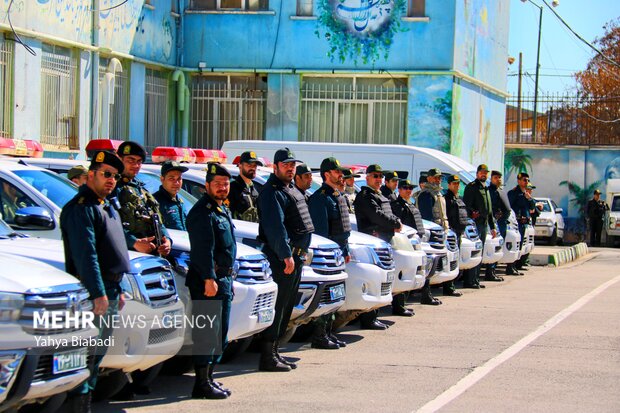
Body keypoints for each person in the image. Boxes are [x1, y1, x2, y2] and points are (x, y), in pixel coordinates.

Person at [60, 151, 129, 412]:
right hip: (94, 293)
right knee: (87, 356)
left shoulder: (104, 204)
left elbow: (111, 249)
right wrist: (98, 293)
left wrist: (118, 289)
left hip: (111, 287)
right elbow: (86, 256)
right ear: (91, 175)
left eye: (115, 176)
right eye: (106, 174)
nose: (112, 180)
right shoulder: (81, 209)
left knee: (96, 355)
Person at [256, 148, 314, 371]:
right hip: (283, 259)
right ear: (275, 166)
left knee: (286, 307)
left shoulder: (289, 189)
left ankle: (275, 353)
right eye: (286, 165)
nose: (290, 168)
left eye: (292, 165)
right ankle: (267, 357)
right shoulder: (272, 192)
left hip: (296, 257)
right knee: (279, 307)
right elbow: (275, 228)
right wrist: (285, 255)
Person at [186, 163, 236, 400]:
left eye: (225, 184)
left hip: (223, 279)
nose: (222, 188)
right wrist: (208, 278)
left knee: (219, 333)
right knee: (207, 331)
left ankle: (210, 378)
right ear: (206, 186)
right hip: (208, 280)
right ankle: (201, 383)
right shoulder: (201, 212)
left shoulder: (221, 209)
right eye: (217, 184)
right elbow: (202, 251)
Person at [307, 157, 351, 349]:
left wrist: (346, 250)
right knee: (326, 295)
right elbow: (321, 234)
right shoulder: (320, 198)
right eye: (336, 172)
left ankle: (328, 332)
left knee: (336, 295)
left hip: (339, 253)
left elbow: (343, 228)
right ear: (327, 174)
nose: (340, 175)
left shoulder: (338, 196)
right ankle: (319, 336)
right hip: (327, 256)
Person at [354, 164, 402, 329]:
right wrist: (395, 223)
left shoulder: (379, 194)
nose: (378, 179)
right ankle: (368, 319)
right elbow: (376, 216)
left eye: (380, 176)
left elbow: (388, 213)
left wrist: (396, 221)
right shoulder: (366, 196)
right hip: (372, 240)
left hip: (383, 241)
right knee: (375, 280)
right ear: (367, 177)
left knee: (383, 279)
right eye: (375, 175)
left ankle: (374, 316)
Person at [111, 141, 172, 257]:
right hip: (128, 254)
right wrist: (133, 242)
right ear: (119, 159)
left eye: (139, 162)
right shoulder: (113, 188)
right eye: (131, 161)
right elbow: (109, 225)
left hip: (151, 254)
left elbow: (157, 220)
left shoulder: (140, 189)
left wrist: (167, 240)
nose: (136, 165)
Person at [391, 179, 428, 312]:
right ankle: (398, 306)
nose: (409, 190)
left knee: (411, 273)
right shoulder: (397, 205)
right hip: (404, 243)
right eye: (405, 188)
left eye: (410, 188)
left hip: (414, 242)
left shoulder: (410, 203)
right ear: (399, 190)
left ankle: (402, 305)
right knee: (404, 273)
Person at [416, 168, 450, 303]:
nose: (438, 180)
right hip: (431, 234)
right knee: (429, 264)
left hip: (439, 232)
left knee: (435, 265)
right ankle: (425, 294)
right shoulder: (426, 195)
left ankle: (427, 292)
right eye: (435, 178)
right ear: (429, 178)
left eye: (439, 178)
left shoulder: (437, 194)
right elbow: (426, 218)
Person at [463, 164, 499, 287]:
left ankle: (476, 279)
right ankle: (469, 280)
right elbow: (466, 205)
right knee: (475, 251)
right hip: (475, 224)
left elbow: (489, 210)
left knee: (480, 252)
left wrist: (492, 226)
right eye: (482, 172)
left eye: (485, 172)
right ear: (477, 173)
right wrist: (472, 213)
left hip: (483, 224)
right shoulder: (472, 187)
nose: (484, 174)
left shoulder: (486, 188)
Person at [442, 175, 469, 296]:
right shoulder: (447, 198)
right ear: (449, 185)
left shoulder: (458, 198)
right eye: (454, 184)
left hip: (458, 232)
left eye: (458, 184)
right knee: (451, 260)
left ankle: (451, 285)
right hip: (451, 234)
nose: (456, 186)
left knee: (455, 259)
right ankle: (449, 286)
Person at [152, 161, 189, 231]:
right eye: (172, 179)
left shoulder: (179, 200)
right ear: (162, 179)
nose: (176, 183)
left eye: (179, 179)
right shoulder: (155, 202)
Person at [227, 151, 262, 222]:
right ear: (240, 166)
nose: (253, 168)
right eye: (249, 165)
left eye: (255, 166)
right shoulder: (232, 188)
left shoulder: (253, 189)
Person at [488, 171, 511, 278]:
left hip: (503, 222)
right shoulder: (490, 191)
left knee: (499, 247)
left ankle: (493, 270)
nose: (498, 179)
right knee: (494, 247)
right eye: (496, 177)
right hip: (495, 223)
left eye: (499, 177)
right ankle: (490, 271)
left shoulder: (500, 190)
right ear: (491, 178)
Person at [508, 172, 532, 272]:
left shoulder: (526, 193)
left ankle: (517, 266)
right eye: (524, 180)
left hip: (524, 223)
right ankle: (510, 267)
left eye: (527, 180)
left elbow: (532, 207)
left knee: (520, 245)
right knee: (515, 245)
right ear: (519, 181)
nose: (526, 182)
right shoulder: (513, 193)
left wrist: (529, 199)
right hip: (516, 223)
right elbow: (510, 207)